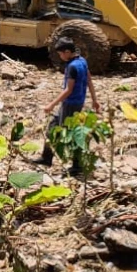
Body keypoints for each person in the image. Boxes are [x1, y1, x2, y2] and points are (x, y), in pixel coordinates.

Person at [39, 38, 101, 177]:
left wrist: (51, 104)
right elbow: (89, 80)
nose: (60, 56)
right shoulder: (82, 61)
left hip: (71, 103)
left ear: (67, 52)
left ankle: (77, 165)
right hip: (77, 102)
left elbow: (68, 90)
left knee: (70, 133)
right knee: (52, 126)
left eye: (61, 54)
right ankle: (46, 157)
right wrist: (94, 100)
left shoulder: (72, 66)